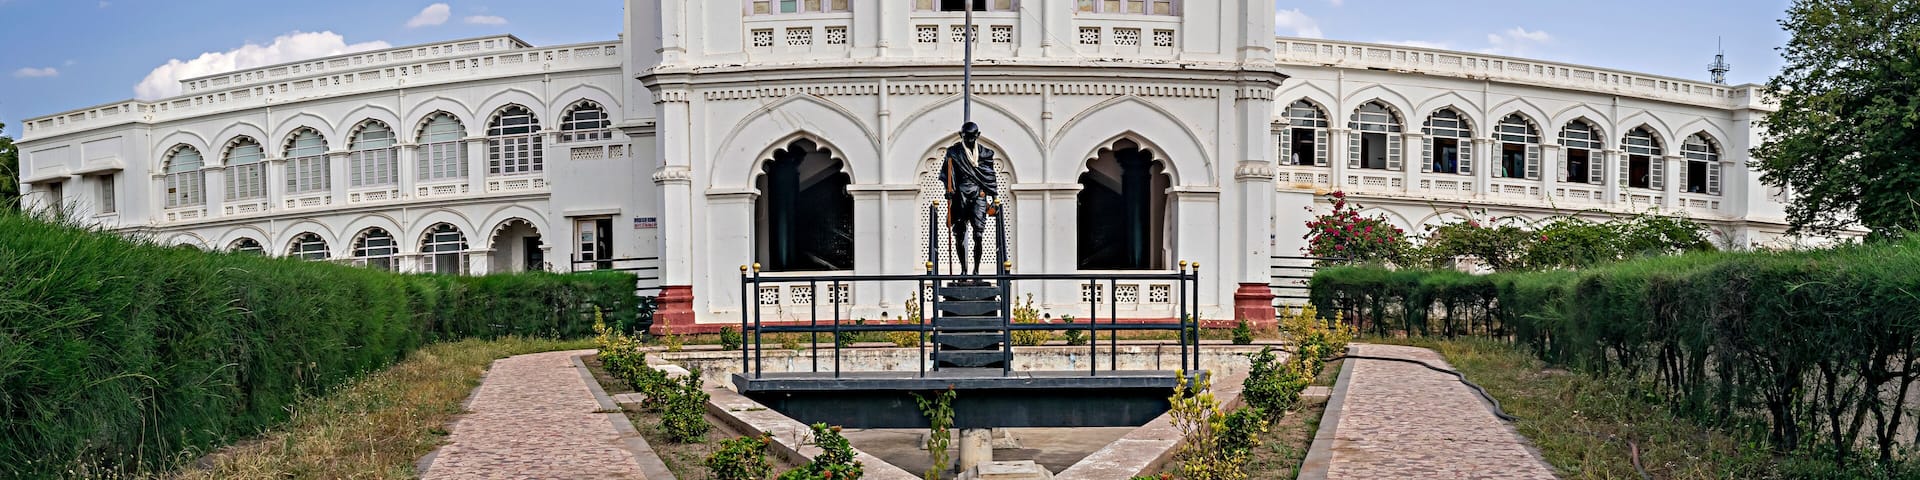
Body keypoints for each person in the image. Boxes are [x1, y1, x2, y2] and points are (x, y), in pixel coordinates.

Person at [942, 122, 998, 277]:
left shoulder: (985, 154)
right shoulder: (953, 152)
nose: (970, 140)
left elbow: (990, 176)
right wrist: (949, 190)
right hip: (960, 196)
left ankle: (976, 270)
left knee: (978, 235)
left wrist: (994, 198)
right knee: (959, 235)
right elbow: (947, 173)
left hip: (978, 196)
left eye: (973, 137)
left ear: (978, 135)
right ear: (961, 135)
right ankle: (963, 270)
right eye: (966, 137)